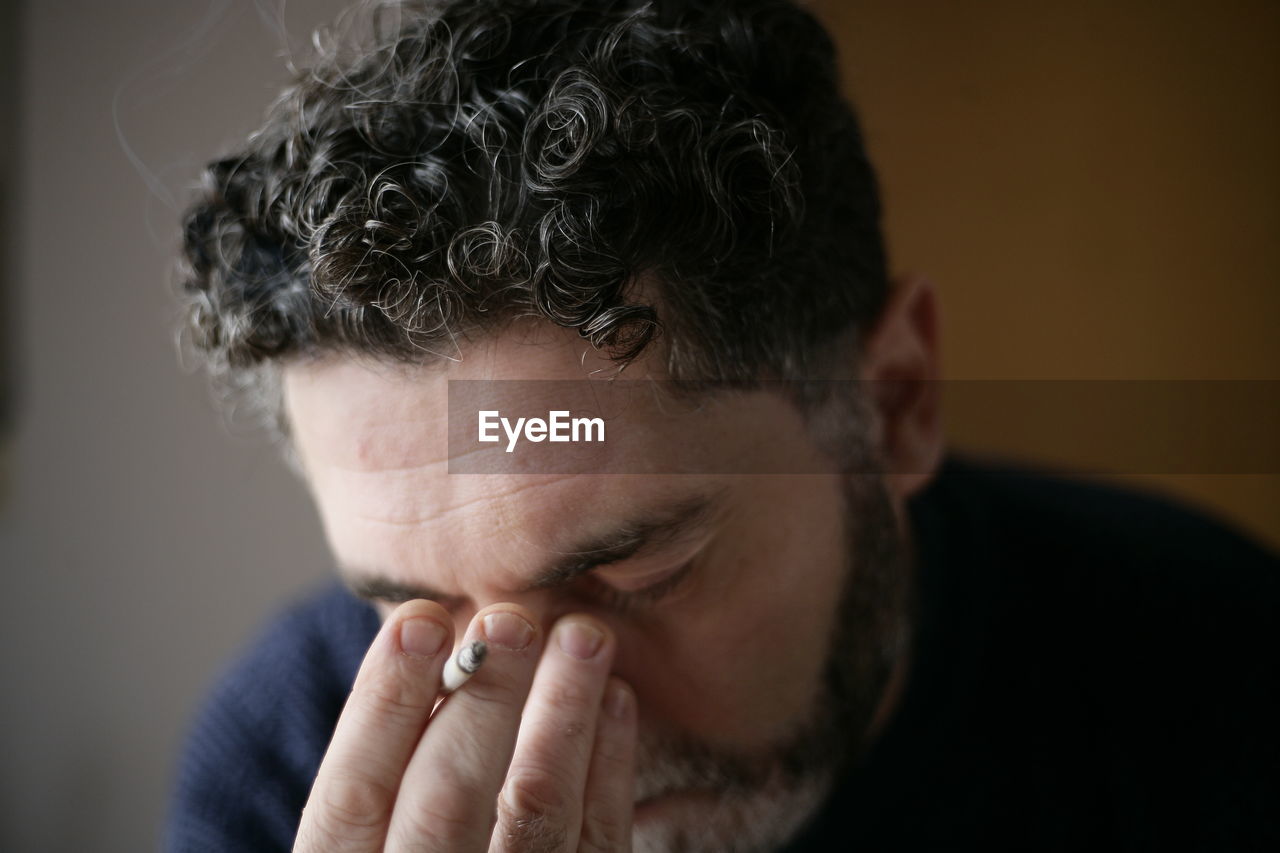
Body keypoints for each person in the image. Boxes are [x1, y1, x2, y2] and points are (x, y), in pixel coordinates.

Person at [163, 1, 1279, 851]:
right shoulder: (285, 769)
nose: (534, 740)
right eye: (414, 613)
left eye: (638, 575)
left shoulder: (1214, 672)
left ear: (890, 403)